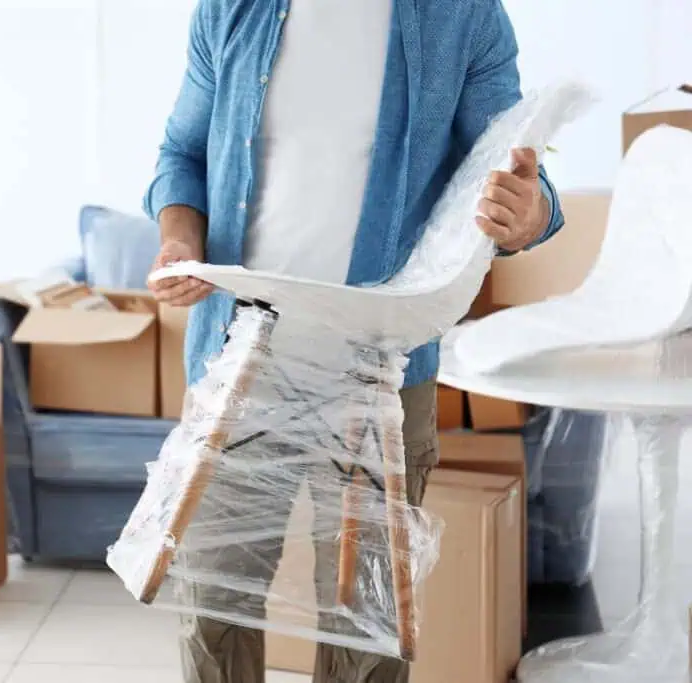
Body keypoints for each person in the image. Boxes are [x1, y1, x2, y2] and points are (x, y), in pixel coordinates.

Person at [143, 2, 563, 683]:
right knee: (212, 613)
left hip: (379, 380)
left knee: (366, 636)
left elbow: (514, 167)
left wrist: (530, 212)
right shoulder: (230, 10)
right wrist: (179, 241)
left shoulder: (463, 16)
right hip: (238, 364)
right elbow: (182, 153)